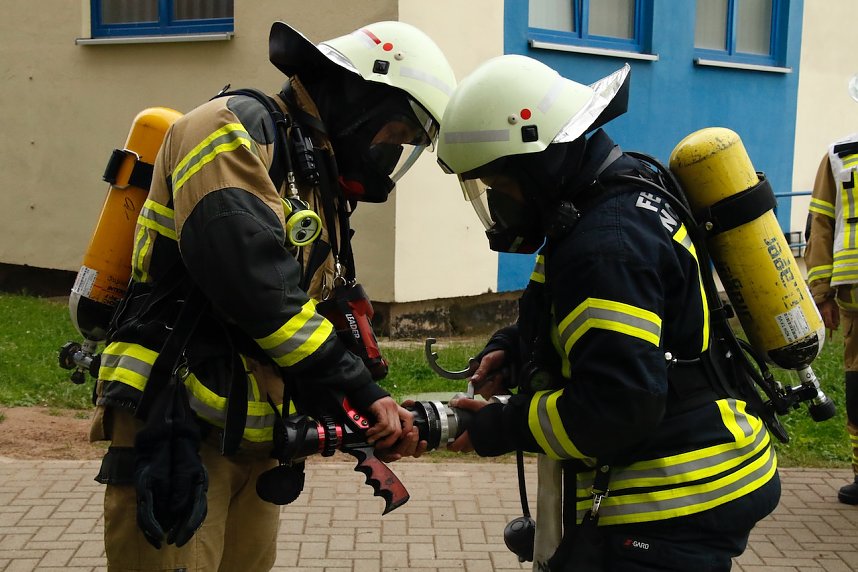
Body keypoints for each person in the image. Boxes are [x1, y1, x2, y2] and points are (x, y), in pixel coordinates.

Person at [89, 20, 456, 571]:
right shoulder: (229, 127)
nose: (389, 152)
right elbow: (253, 284)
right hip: (176, 426)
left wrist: (364, 408)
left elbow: (307, 312)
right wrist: (355, 386)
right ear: (361, 98)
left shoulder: (310, 169)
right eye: (394, 132)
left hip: (251, 433)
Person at [436, 55, 780, 571]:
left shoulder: (604, 245)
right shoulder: (617, 191)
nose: (496, 204)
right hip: (706, 468)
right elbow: (576, 311)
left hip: (673, 496)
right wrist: (512, 347)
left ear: (538, 163)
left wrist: (502, 425)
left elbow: (617, 407)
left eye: (498, 186)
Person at [804, 131, 858, 505]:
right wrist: (822, 294)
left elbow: (819, 226)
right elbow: (821, 225)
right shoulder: (839, 154)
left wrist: (823, 291)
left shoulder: (841, 154)